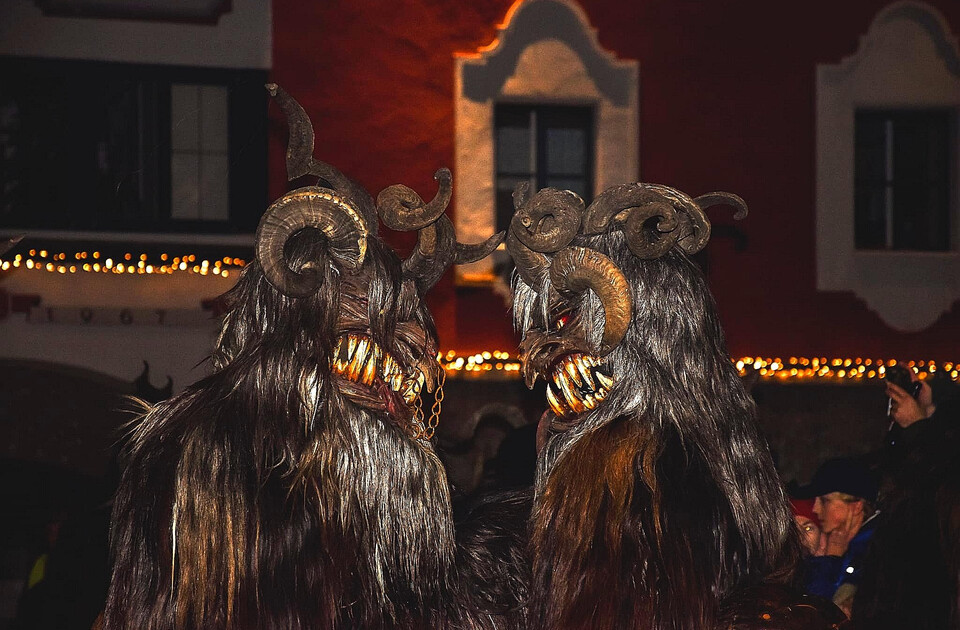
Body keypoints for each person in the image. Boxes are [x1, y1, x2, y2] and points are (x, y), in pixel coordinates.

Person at [851, 370, 960, 629]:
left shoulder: (941, 470)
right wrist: (923, 417)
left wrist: (919, 427)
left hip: (926, 601)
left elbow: (937, 477)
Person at [798, 457, 879, 615]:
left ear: (856, 506)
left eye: (824, 501)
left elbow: (815, 614)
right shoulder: (852, 545)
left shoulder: (876, 548)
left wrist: (831, 560)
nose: (815, 509)